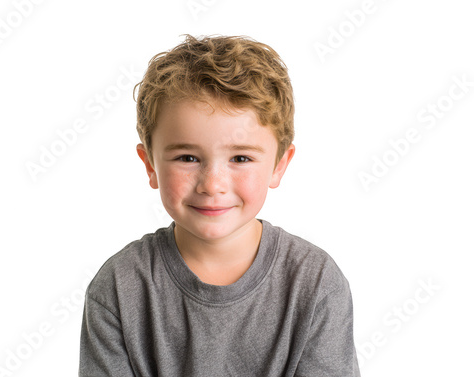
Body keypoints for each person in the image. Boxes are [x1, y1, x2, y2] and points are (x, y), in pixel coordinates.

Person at [79, 34, 360, 377]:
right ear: (150, 165)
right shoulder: (118, 287)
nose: (212, 184)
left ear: (279, 166)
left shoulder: (316, 283)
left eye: (241, 158)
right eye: (187, 157)